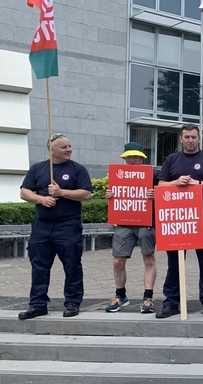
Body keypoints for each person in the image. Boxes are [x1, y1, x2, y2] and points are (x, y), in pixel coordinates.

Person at [18, 134, 92, 319]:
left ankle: (73, 302)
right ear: (52, 150)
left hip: (68, 225)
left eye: (69, 146)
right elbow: (24, 192)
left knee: (71, 264)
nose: (69, 149)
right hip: (42, 226)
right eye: (63, 147)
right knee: (39, 266)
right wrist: (41, 199)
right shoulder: (38, 168)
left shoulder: (77, 169)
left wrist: (61, 192)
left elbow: (86, 194)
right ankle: (38, 304)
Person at [155, 124, 203, 319]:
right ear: (180, 139)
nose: (190, 140)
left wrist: (197, 184)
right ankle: (172, 302)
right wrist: (176, 182)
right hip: (177, 216)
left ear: (199, 138)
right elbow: (160, 185)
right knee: (174, 260)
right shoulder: (172, 159)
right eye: (187, 137)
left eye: (193, 137)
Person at [104, 142, 157, 313]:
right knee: (117, 260)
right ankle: (120, 295)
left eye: (136, 157)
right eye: (129, 157)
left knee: (148, 259)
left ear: (143, 158)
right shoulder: (117, 175)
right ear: (125, 158)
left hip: (146, 221)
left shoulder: (154, 175)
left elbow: (165, 193)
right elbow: (117, 197)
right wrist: (109, 196)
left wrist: (155, 194)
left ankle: (148, 298)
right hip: (124, 221)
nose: (133, 160)